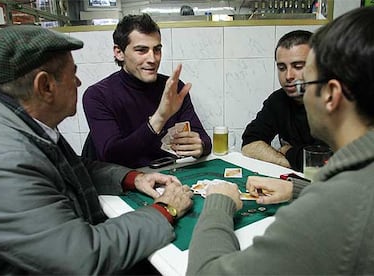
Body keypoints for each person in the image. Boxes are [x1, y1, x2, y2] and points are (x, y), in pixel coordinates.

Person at [0, 25, 194, 275]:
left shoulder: (16, 120)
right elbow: (85, 258)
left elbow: (68, 167)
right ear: (45, 86)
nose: (79, 82)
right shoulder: (1, 163)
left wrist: (133, 178)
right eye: (73, 74)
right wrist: (165, 209)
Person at [187, 7, 374, 275]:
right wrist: (298, 189)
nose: (292, 81)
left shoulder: (331, 208)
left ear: (331, 95)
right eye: (283, 68)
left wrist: (218, 202)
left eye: (306, 80)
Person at [83, 13, 212, 168]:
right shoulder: (98, 95)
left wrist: (200, 146)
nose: (153, 59)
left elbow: (204, 140)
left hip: (169, 175)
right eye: (142, 50)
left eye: (157, 50)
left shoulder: (173, 87)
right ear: (119, 52)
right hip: (124, 182)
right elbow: (112, 156)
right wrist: (159, 118)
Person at [241, 30, 327, 172]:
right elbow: (250, 143)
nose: (288, 76)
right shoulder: (278, 100)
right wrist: (283, 159)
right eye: (281, 68)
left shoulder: (333, 101)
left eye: (298, 66)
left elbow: (326, 161)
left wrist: (288, 152)